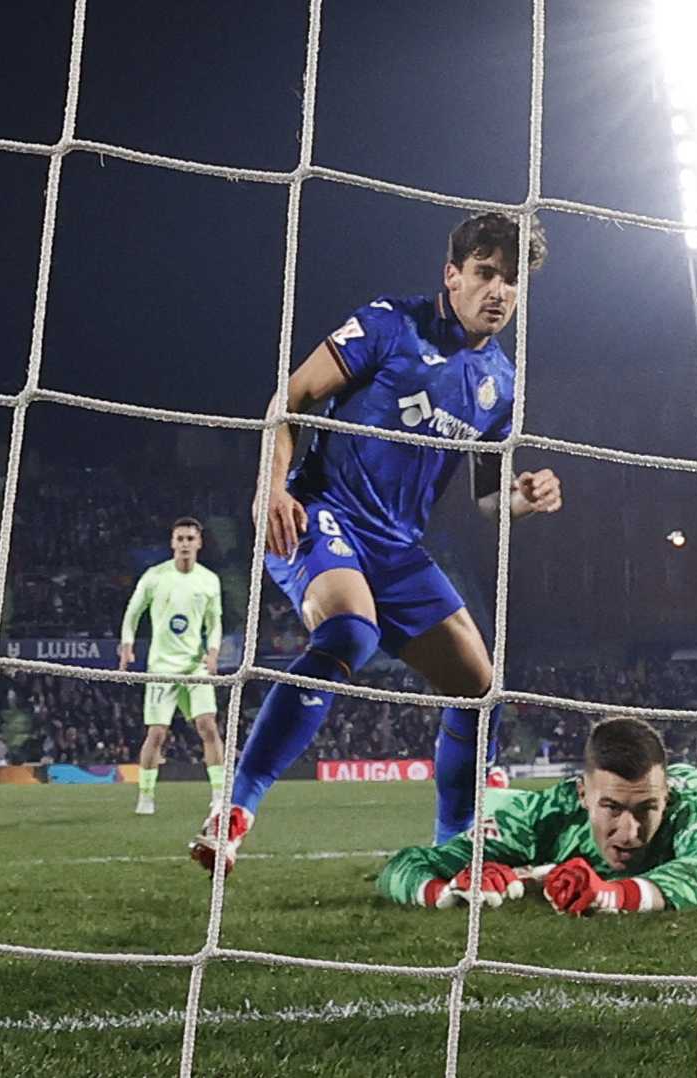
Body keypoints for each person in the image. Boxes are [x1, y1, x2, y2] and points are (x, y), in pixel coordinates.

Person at [191, 212, 562, 873]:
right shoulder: (389, 323)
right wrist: (273, 489)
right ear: (452, 275)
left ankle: (457, 842)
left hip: (397, 547)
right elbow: (293, 397)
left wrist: (521, 499)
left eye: (510, 280)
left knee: (481, 691)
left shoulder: (501, 386)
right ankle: (234, 809)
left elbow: (485, 499)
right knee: (350, 630)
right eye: (484, 274)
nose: (498, 291)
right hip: (320, 512)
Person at [377, 716, 697, 913]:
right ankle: (496, 795)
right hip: (545, 805)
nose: (630, 832)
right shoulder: (551, 811)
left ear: (666, 797)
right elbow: (404, 865)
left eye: (647, 809)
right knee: (491, 820)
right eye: (612, 808)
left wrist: (610, 895)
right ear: (582, 795)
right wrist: (445, 891)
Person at [119, 517, 225, 815]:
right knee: (157, 734)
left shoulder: (209, 580)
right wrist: (127, 645)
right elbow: (133, 611)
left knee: (208, 728)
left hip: (195, 668)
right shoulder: (155, 576)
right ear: (172, 543)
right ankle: (146, 796)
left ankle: (218, 795)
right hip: (162, 668)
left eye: (190, 539)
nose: (185, 544)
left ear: (199, 543)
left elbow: (215, 622)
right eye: (180, 539)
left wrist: (213, 652)